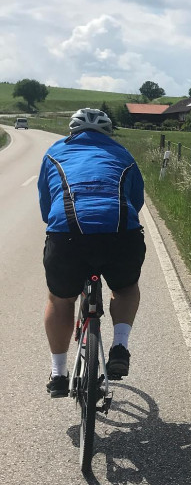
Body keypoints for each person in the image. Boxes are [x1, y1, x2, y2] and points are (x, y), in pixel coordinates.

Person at [38, 108, 146, 398]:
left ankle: (58, 374)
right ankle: (120, 346)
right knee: (125, 289)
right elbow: (136, 202)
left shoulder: (53, 153)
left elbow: (46, 207)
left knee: (61, 301)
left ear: (72, 131)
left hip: (68, 236)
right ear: (108, 132)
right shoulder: (123, 154)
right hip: (120, 234)